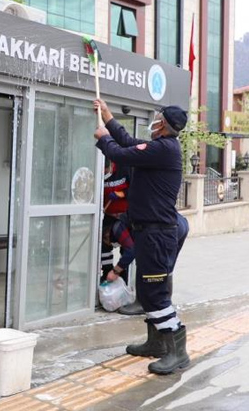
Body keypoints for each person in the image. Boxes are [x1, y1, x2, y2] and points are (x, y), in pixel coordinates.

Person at [93, 99, 191, 375]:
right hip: (149, 234)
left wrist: (103, 139)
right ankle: (156, 343)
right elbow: (126, 142)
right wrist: (108, 116)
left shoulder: (164, 149)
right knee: (147, 292)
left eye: (159, 117)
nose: (155, 119)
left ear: (165, 125)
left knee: (156, 295)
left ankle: (177, 352)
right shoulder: (160, 148)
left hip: (158, 236)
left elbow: (121, 154)